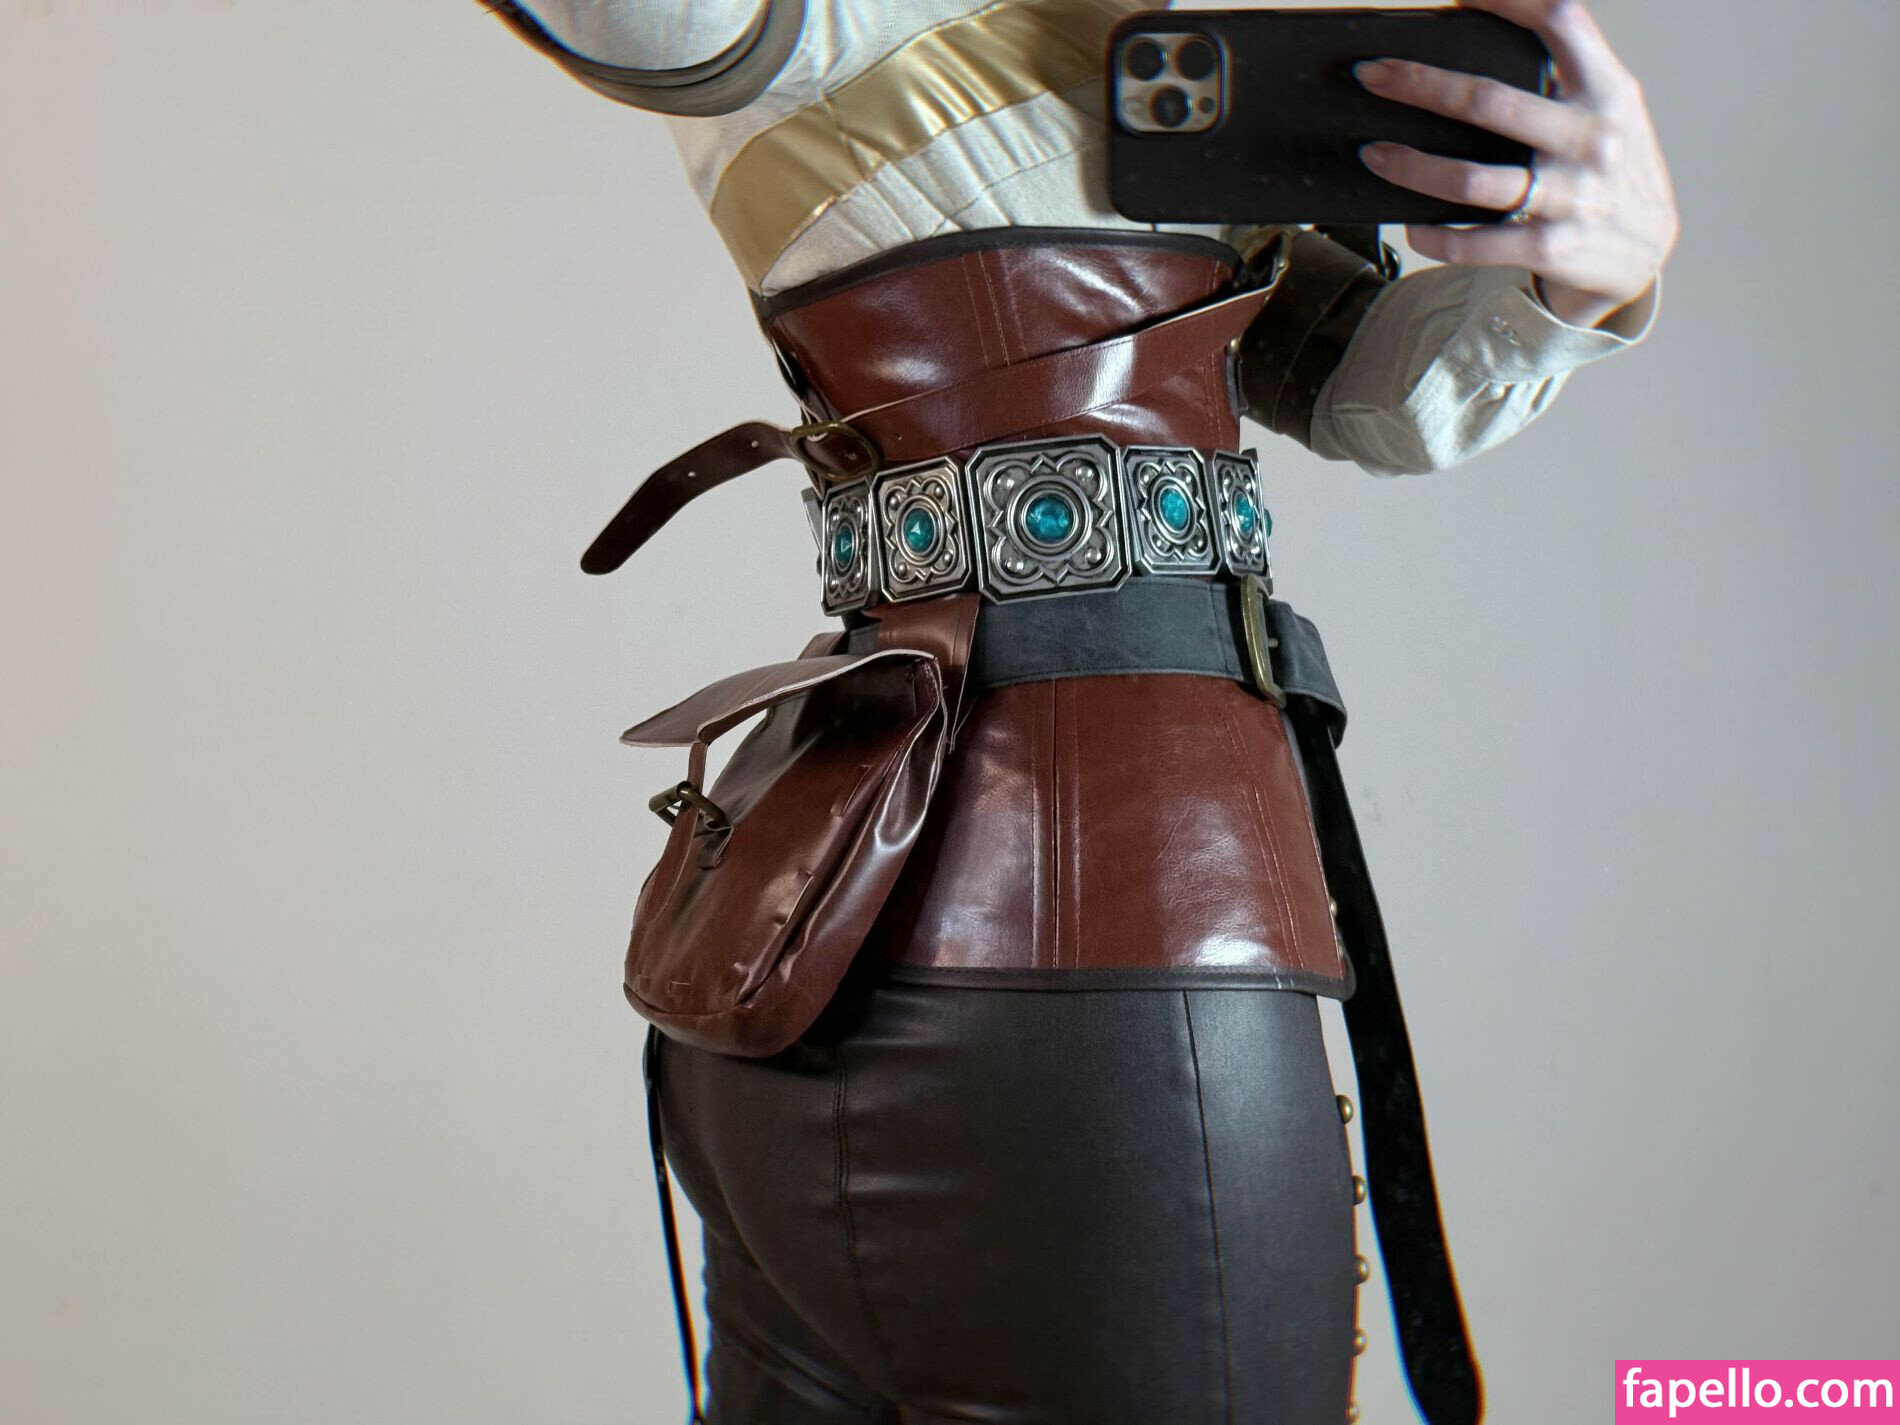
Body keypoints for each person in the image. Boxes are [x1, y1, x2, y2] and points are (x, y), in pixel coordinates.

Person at [474, 2, 1679, 1421]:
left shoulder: (1159, 52)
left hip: (826, 915)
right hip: (1098, 979)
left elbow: (1372, 387)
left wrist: (1588, 279)